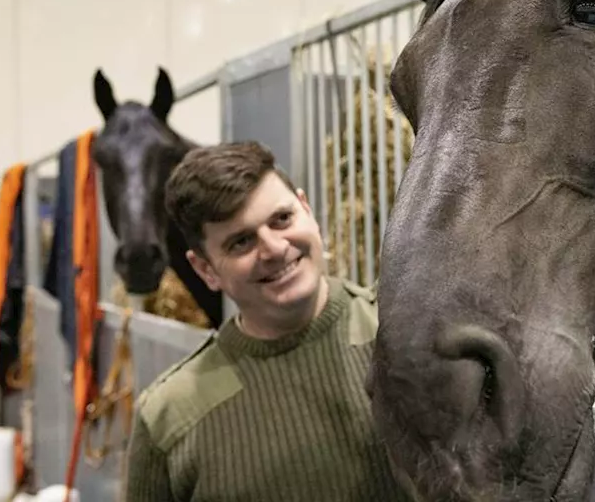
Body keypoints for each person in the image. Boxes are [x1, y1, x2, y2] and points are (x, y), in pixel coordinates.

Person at [123, 140, 411, 501]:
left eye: (282, 219)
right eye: (241, 242)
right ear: (205, 269)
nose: (274, 249)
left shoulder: (407, 334)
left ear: (306, 209)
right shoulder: (171, 416)